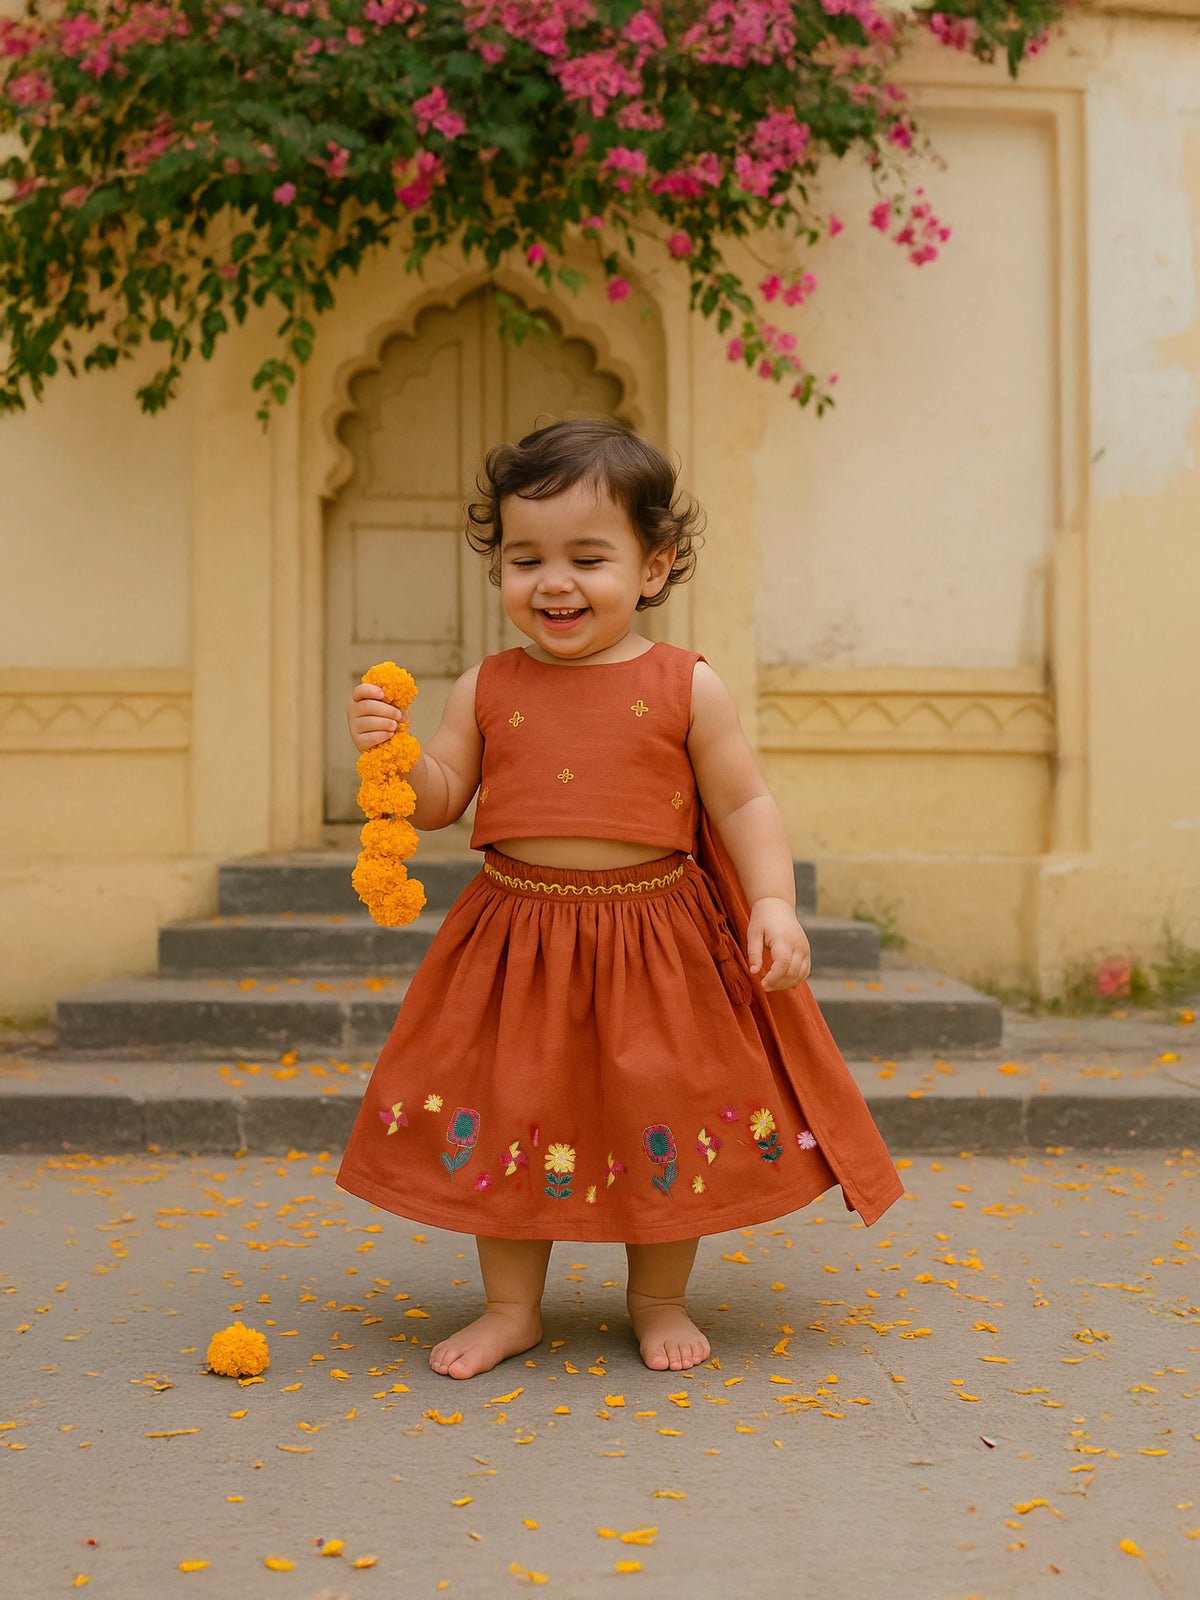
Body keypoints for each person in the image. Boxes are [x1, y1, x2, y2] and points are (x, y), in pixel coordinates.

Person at [335, 416, 903, 1381]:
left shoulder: (687, 686)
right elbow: (439, 799)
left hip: (655, 941)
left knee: (660, 1110)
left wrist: (774, 903)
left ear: (654, 566)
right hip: (516, 939)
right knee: (509, 1109)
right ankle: (512, 1306)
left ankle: (659, 1298)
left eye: (587, 557)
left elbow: (743, 801)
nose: (553, 582)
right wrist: (391, 754)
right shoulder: (485, 687)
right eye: (526, 558)